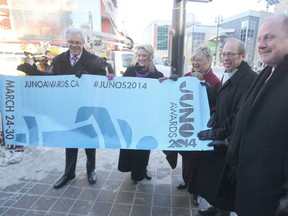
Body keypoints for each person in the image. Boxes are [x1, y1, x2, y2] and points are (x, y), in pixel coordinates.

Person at [216, 14, 288, 216]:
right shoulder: (268, 73)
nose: (262, 44)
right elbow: (244, 117)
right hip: (250, 187)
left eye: (270, 37)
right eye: (259, 39)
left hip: (271, 198)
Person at [17, 27, 107, 189]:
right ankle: (68, 173)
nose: (74, 45)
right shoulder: (59, 60)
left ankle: (90, 170)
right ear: (67, 42)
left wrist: (87, 76)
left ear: (83, 43)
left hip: (87, 108)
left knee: (89, 142)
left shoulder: (95, 60)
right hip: (67, 107)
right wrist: (35, 73)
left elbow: (102, 82)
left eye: (78, 42)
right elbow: (53, 80)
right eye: (71, 42)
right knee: (70, 140)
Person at [196, 38, 257, 216]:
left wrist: (218, 132)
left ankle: (222, 213)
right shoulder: (230, 73)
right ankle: (216, 209)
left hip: (229, 140)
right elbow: (222, 97)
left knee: (225, 184)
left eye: (231, 54)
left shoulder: (249, 79)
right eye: (223, 54)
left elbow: (240, 115)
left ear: (242, 56)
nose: (226, 57)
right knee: (217, 178)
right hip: (222, 137)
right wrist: (203, 88)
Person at [164, 45, 221, 206]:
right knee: (186, 154)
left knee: (198, 159)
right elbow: (176, 93)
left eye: (199, 60)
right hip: (186, 122)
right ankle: (186, 181)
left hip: (202, 126)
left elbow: (217, 104)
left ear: (208, 61)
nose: (195, 62)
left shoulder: (214, 81)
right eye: (193, 59)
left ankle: (196, 190)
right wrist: (173, 81)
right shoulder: (188, 75)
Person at [117, 44, 164, 184]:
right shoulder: (130, 70)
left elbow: (162, 93)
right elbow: (120, 88)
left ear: (150, 57)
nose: (141, 58)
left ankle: (142, 170)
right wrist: (113, 79)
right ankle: (132, 169)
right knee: (131, 142)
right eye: (139, 55)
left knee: (144, 145)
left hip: (147, 117)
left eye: (144, 55)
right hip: (131, 114)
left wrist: (167, 82)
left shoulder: (156, 74)